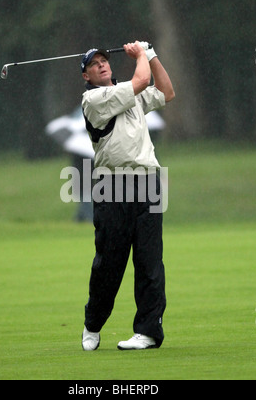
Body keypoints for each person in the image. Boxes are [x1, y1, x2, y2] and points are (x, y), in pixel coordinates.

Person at [80, 41, 175, 351]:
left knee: (150, 262)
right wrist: (139, 56)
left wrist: (151, 55)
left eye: (104, 60)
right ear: (87, 76)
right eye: (95, 64)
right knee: (109, 263)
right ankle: (93, 324)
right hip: (112, 185)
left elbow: (165, 92)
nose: (102, 65)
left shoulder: (128, 94)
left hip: (148, 182)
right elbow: (142, 81)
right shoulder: (94, 99)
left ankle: (147, 332)